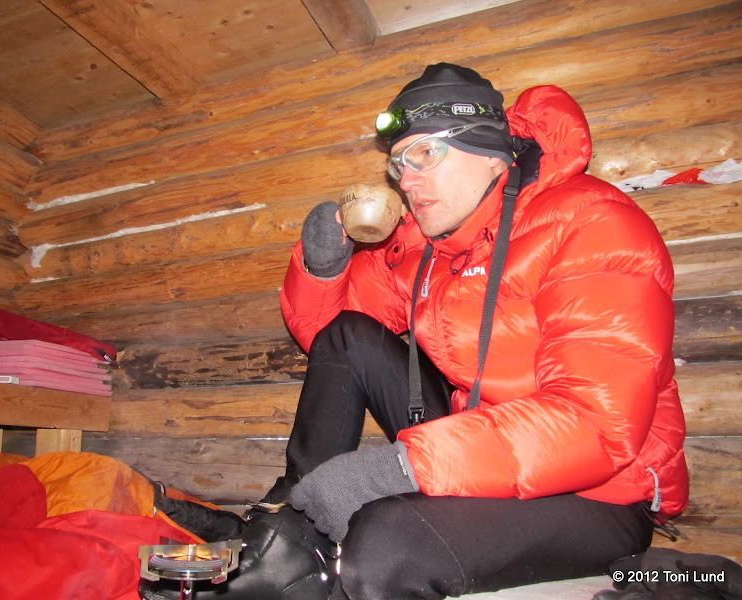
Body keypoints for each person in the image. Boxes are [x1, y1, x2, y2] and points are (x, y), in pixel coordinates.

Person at [146, 63, 689, 600]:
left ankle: (306, 550)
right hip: (479, 441)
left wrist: (396, 470)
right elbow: (327, 338)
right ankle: (286, 527)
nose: (405, 180)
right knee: (350, 335)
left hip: (600, 491)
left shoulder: (592, 223)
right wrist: (321, 269)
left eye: (425, 154)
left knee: (387, 544)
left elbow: (596, 423)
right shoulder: (424, 252)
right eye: (398, 163)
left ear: (490, 151)